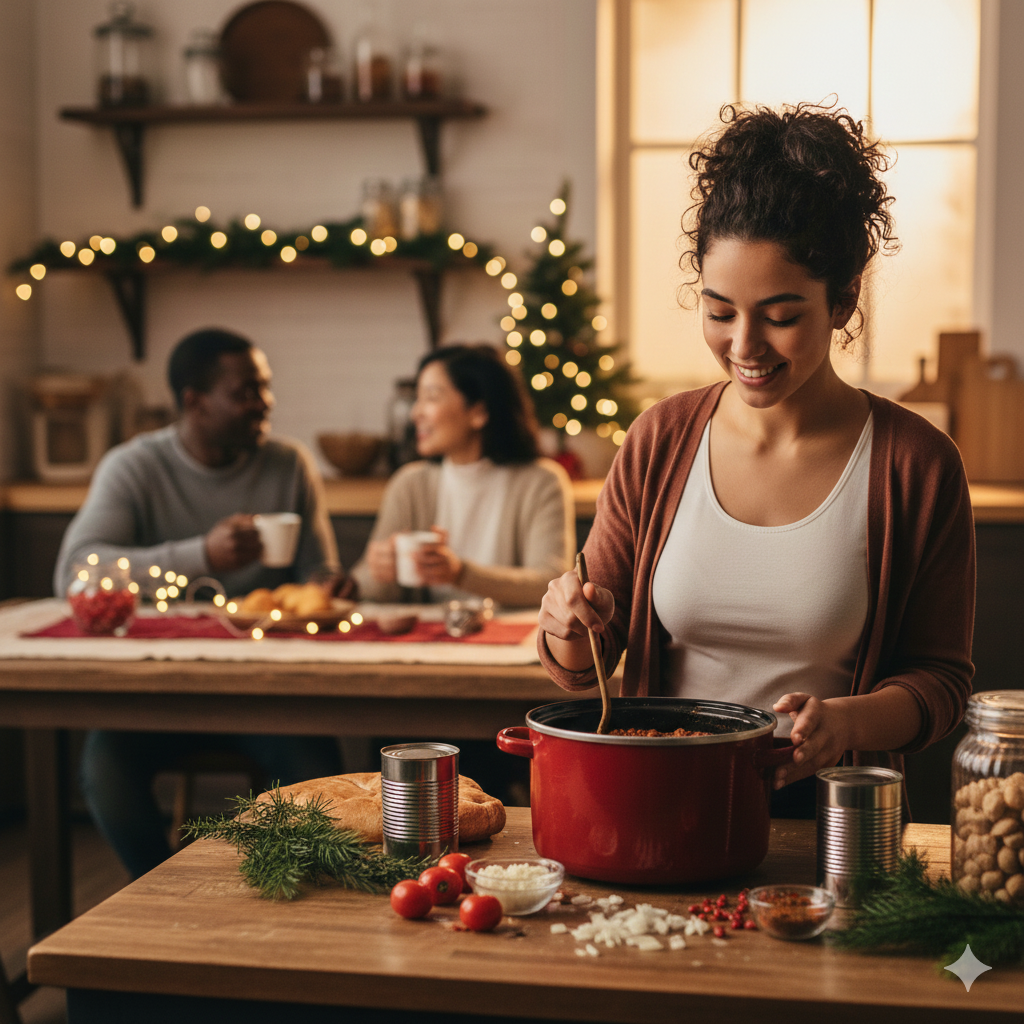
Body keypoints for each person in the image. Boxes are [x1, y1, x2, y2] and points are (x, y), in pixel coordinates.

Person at [537, 103, 975, 818]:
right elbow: (587, 660)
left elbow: (940, 682)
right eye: (719, 312)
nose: (745, 346)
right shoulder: (658, 441)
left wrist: (846, 724)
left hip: (832, 829)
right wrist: (568, 624)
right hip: (660, 805)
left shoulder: (915, 465)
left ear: (843, 298)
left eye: (780, 316)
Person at [54, 328, 344, 877]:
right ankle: (165, 898)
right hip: (155, 693)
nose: (266, 403)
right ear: (193, 402)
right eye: (246, 391)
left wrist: (331, 584)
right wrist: (201, 555)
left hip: (270, 691)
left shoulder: (289, 465)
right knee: (105, 771)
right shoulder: (133, 466)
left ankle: (288, 909)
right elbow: (75, 571)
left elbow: (316, 571)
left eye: (265, 388)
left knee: (315, 774)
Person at [351, 344, 576, 608]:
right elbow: (367, 589)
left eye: (431, 398)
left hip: (513, 642)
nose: (416, 413)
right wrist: (377, 572)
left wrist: (461, 574)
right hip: (427, 640)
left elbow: (550, 582)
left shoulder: (541, 482)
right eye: (417, 399)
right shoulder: (410, 484)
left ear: (479, 412)